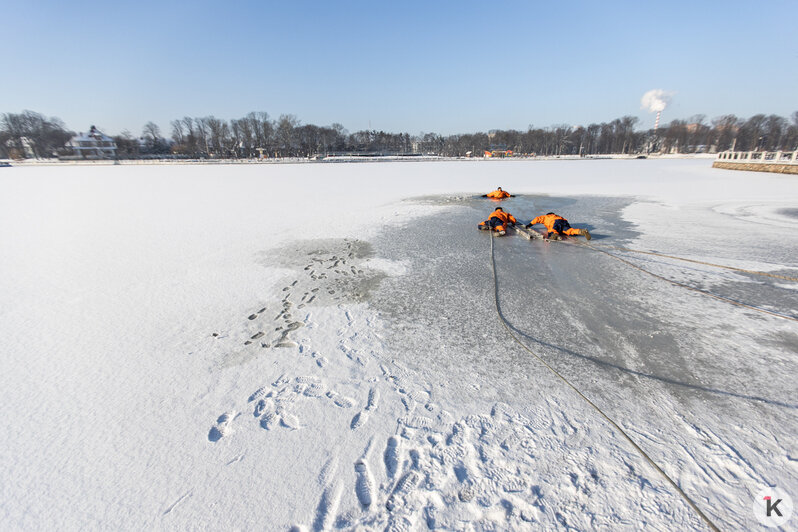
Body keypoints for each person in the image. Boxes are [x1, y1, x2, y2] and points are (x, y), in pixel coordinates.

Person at [526, 212, 591, 240]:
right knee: (569, 230)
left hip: (555, 222)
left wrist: (530, 224)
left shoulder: (547, 217)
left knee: (552, 230)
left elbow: (537, 219)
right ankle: (581, 231)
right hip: (563, 221)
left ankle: (554, 235)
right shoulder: (558, 216)